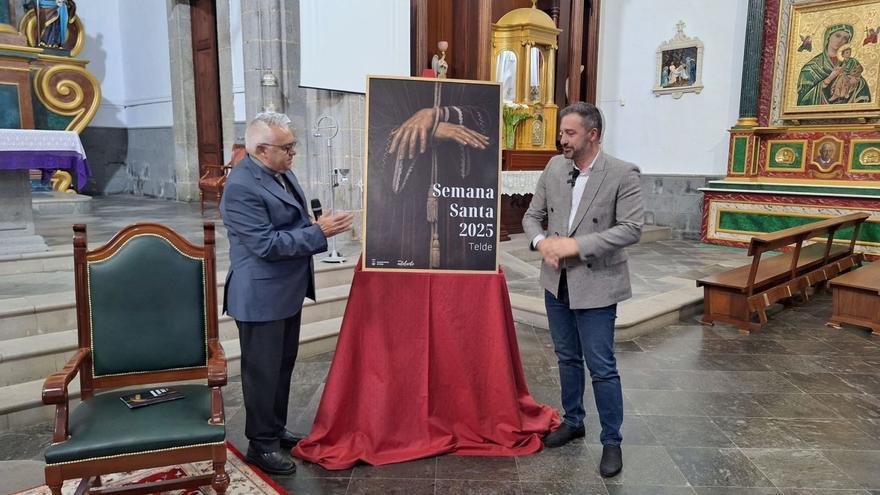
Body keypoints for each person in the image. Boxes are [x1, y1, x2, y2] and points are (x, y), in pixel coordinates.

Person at [220, 112, 353, 475]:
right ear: (261, 150)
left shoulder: (281, 173)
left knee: (281, 368)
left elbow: (288, 224)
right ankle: (260, 445)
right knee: (262, 373)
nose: (294, 152)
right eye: (287, 147)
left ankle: (274, 431)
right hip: (260, 295)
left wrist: (312, 225)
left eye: (293, 144)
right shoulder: (241, 188)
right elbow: (265, 244)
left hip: (285, 290)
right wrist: (319, 233)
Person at [522, 102, 643, 478]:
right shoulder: (555, 167)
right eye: (561, 133)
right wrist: (542, 243)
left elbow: (631, 228)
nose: (562, 140)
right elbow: (531, 216)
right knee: (566, 357)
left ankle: (612, 441)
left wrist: (576, 246)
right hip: (556, 282)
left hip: (597, 283)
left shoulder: (623, 174)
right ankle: (573, 421)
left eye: (570, 133)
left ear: (593, 135)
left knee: (602, 366)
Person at [364, 78, 496, 270]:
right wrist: (433, 130)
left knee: (459, 282)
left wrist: (440, 114)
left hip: (461, 199)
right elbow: (378, 133)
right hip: (406, 204)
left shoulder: (471, 84)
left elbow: (490, 117)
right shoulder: (388, 85)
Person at [796, 24, 871, 105]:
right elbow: (802, 99)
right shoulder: (811, 68)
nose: (840, 40)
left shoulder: (850, 62)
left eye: (845, 38)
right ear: (828, 36)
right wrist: (830, 78)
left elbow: (861, 85)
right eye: (837, 36)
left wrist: (854, 80)